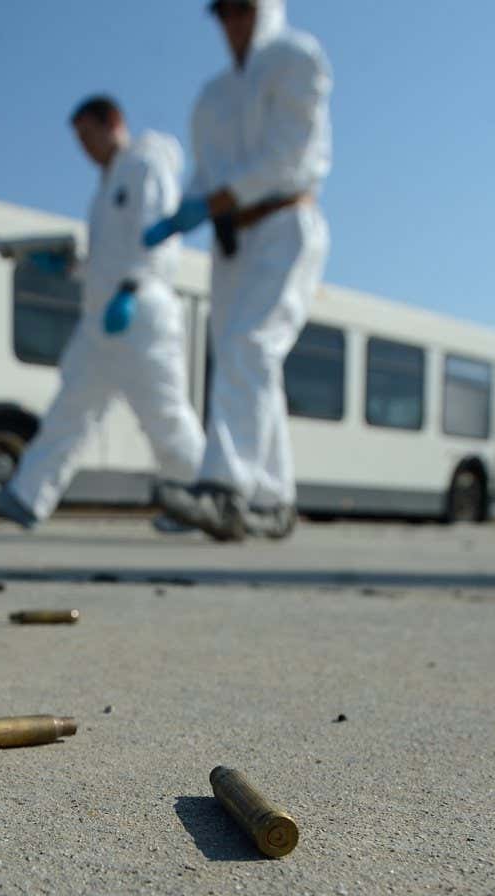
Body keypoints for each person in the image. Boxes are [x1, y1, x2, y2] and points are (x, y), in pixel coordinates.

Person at [145, 0, 332, 542]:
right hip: (233, 240)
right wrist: (184, 209)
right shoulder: (212, 96)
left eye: (241, 9)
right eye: (222, 12)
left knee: (252, 344)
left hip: (284, 222)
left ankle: (223, 488)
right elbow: (206, 172)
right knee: (240, 356)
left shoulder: (298, 58)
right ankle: (273, 500)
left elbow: (288, 157)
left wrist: (220, 198)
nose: (232, 22)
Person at [0, 95, 205, 528]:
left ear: (113, 122)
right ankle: (28, 497)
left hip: (139, 311)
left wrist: (131, 288)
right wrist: (70, 266)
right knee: (70, 408)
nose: (84, 146)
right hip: (100, 319)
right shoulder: (104, 189)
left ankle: (196, 498)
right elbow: (109, 256)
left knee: (165, 416)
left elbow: (157, 239)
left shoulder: (144, 165)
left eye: (87, 134)